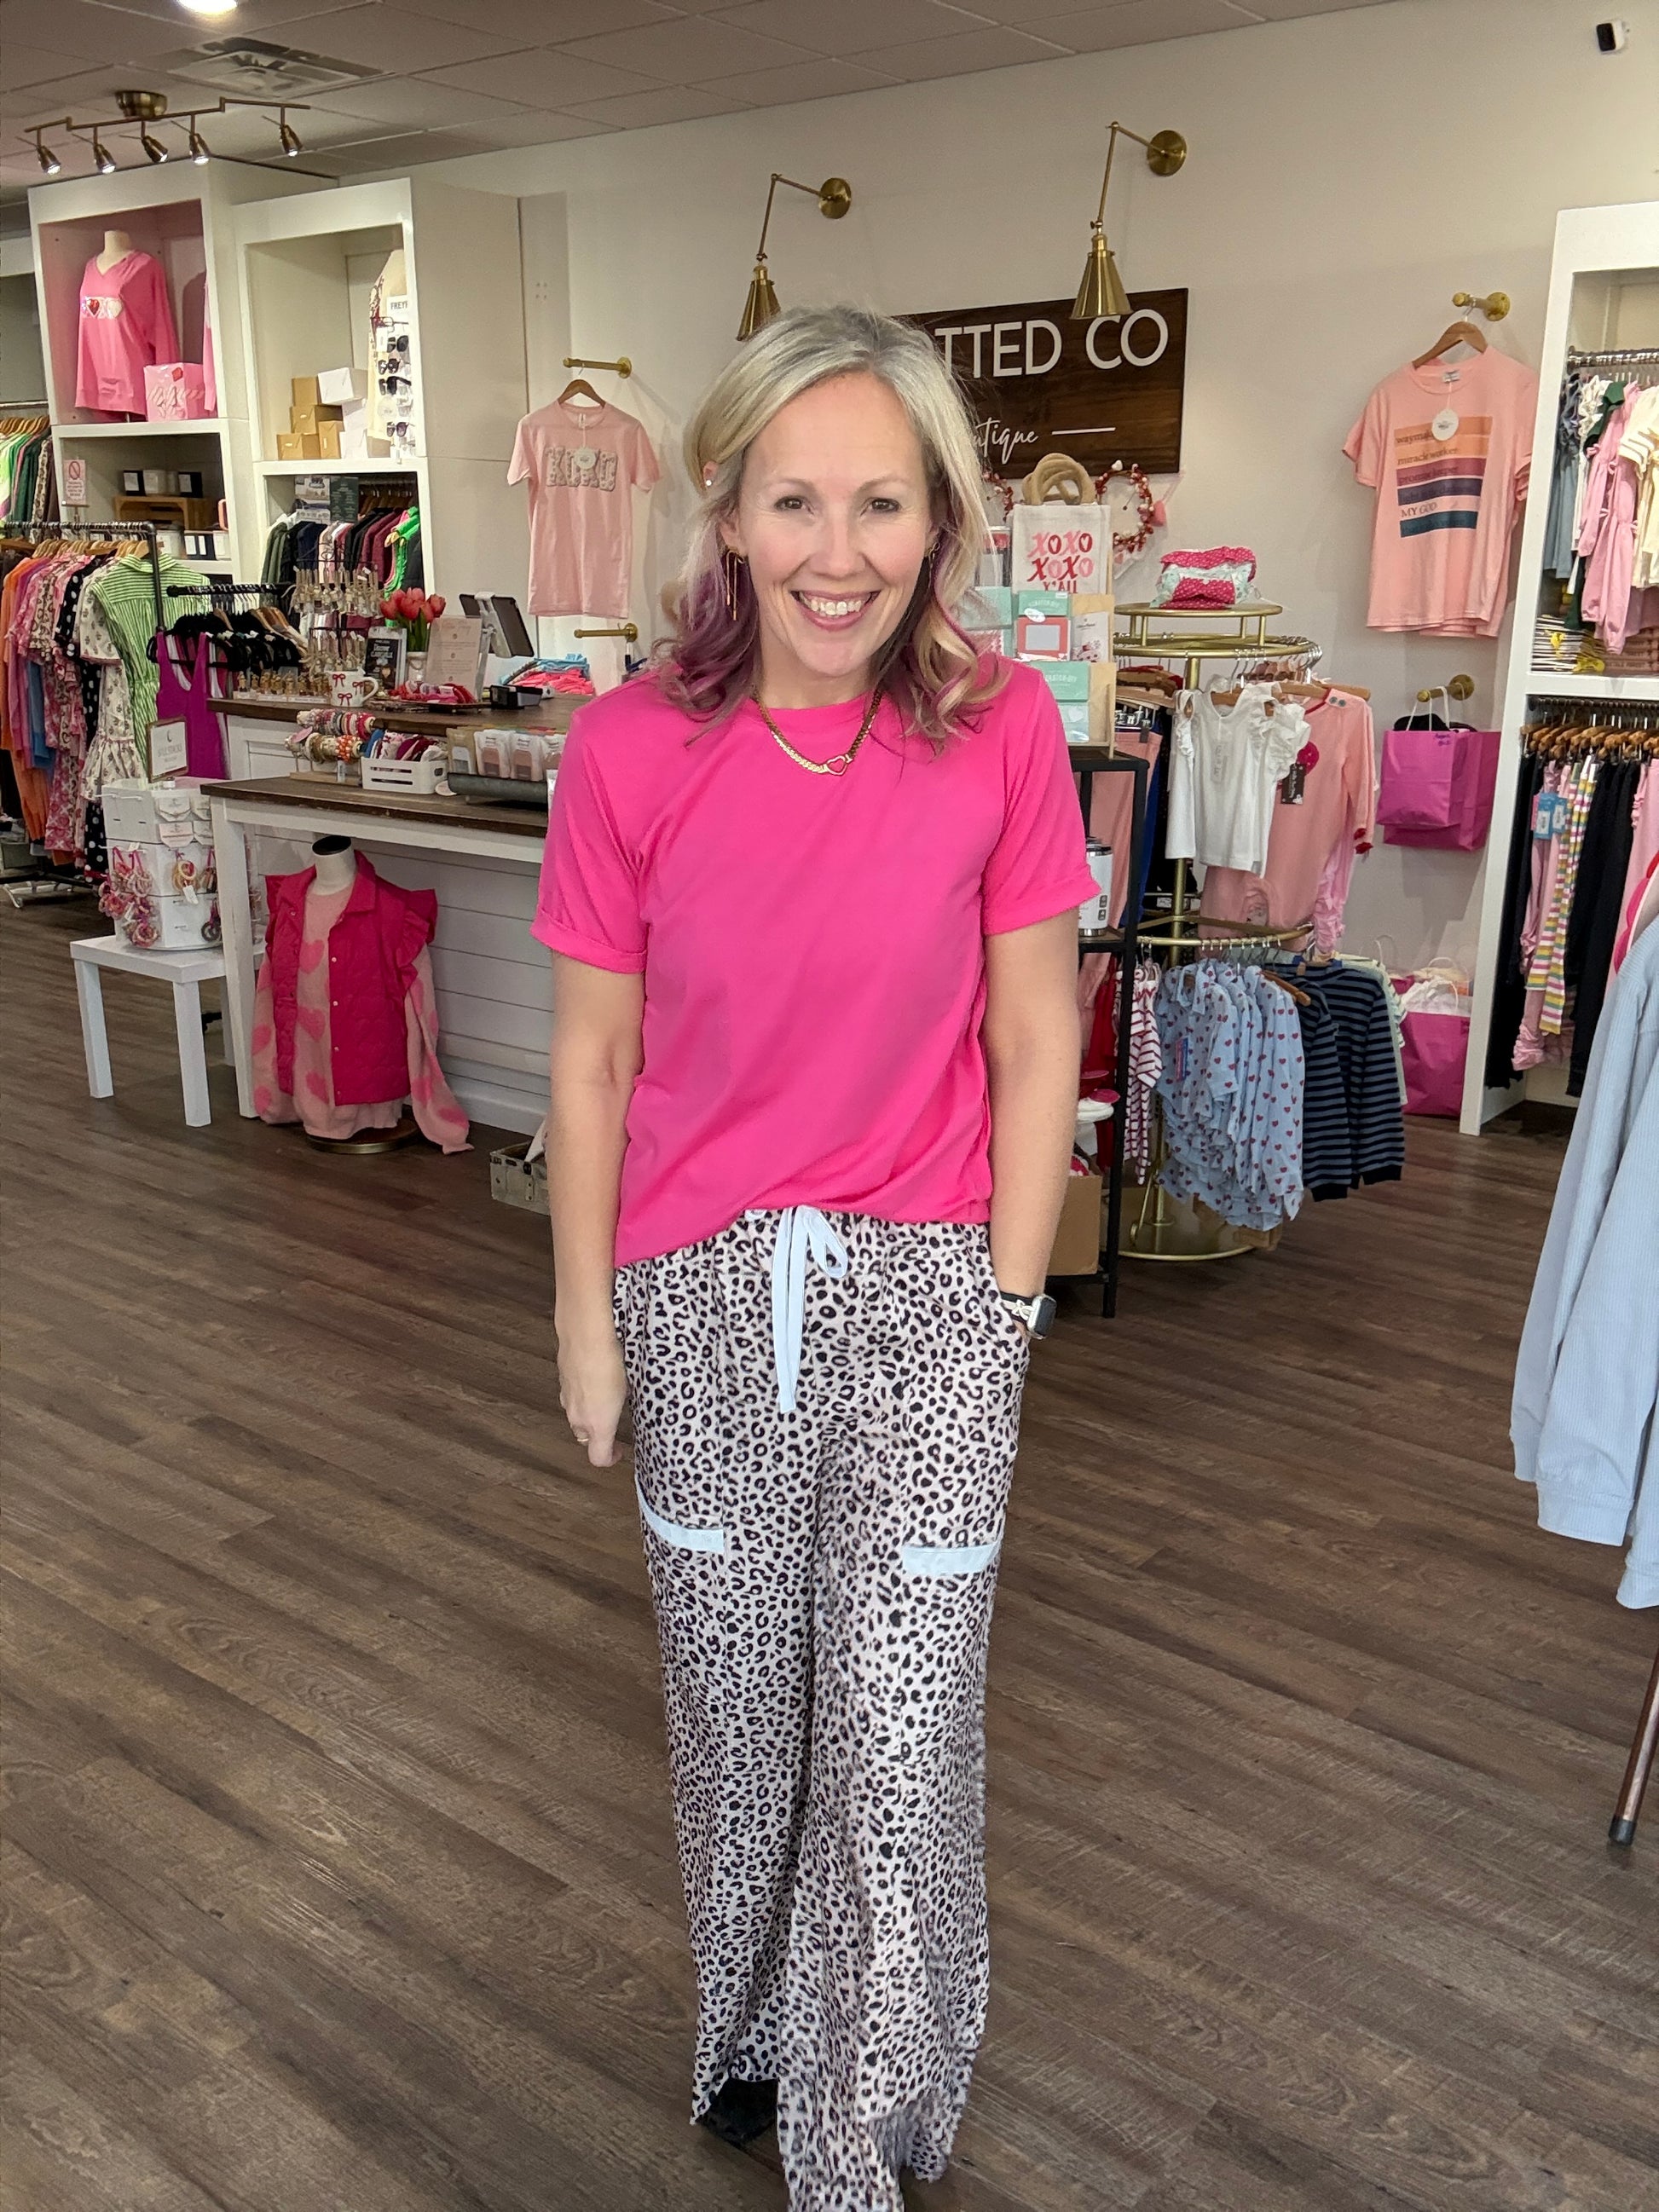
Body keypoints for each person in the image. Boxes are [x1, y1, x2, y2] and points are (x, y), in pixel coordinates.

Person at [535, 304, 1095, 2211]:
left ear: (938, 518)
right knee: (734, 1712)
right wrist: (585, 1324)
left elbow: (1036, 1030)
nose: (837, 553)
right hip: (694, 1293)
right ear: (725, 509)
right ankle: (753, 2035)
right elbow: (590, 1058)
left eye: (881, 502)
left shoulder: (1002, 732)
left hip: (928, 1286)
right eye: (794, 501)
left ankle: (858, 2127)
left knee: (895, 1729)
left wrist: (1006, 1300)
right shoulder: (626, 749)